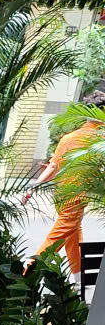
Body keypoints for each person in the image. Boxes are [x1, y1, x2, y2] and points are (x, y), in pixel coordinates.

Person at [23, 90, 105, 277]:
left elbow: (52, 166)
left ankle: (78, 277)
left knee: (72, 233)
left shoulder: (68, 138)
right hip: (77, 195)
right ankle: (28, 272)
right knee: (59, 235)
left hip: (61, 193)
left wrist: (33, 187)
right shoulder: (100, 139)